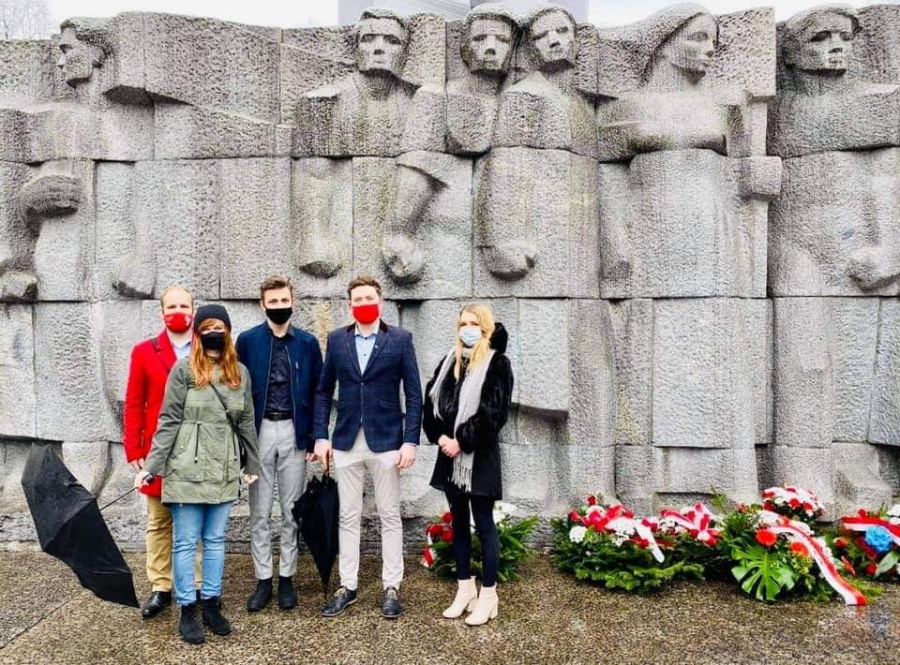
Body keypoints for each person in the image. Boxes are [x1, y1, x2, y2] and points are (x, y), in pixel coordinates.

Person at [134, 304, 260, 644]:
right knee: (186, 541)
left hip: (223, 467)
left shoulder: (240, 373)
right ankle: (187, 608)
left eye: (219, 327)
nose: (213, 333)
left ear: (228, 332)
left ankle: (211, 603)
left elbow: (246, 421)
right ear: (198, 333)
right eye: (207, 328)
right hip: (186, 469)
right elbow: (168, 420)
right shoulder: (183, 369)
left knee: (216, 540)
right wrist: (151, 467)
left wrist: (252, 464)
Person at [313, 275, 423, 619]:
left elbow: (414, 394)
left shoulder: (400, 339)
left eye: (369, 298)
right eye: (357, 299)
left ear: (381, 301)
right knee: (348, 516)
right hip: (346, 441)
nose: (364, 304)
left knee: (389, 514)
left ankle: (392, 586)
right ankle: (348, 585)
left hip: (387, 440)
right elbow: (323, 391)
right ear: (350, 305)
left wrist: (410, 440)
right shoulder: (337, 340)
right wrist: (321, 436)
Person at [423, 303, 513, 626]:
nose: (468, 329)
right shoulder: (451, 361)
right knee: (458, 522)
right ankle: (465, 589)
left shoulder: (497, 363)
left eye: (474, 323)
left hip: (478, 457)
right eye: (463, 323)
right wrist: (440, 438)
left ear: (485, 328)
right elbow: (431, 401)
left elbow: (494, 413)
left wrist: (461, 440)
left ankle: (488, 595)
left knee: (484, 523)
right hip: (449, 456)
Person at [237, 274, 323, 612]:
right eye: (272, 301)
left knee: (291, 510)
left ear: (293, 301)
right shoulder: (247, 341)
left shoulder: (307, 343)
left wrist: (316, 436)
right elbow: (238, 390)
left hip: (293, 430)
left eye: (284, 300)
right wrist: (241, 439)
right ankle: (263, 580)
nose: (279, 306)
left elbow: (319, 392)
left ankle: (287, 577)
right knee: (259, 510)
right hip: (259, 432)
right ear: (262, 304)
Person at [122, 285, 203, 619]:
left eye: (184, 306)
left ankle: (196, 585)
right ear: (162, 312)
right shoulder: (144, 351)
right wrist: (134, 448)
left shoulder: (206, 347)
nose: (178, 312)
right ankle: (161, 586)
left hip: (198, 450)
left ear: (193, 311)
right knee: (158, 522)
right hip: (159, 451)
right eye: (172, 307)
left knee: (195, 521)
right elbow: (134, 402)